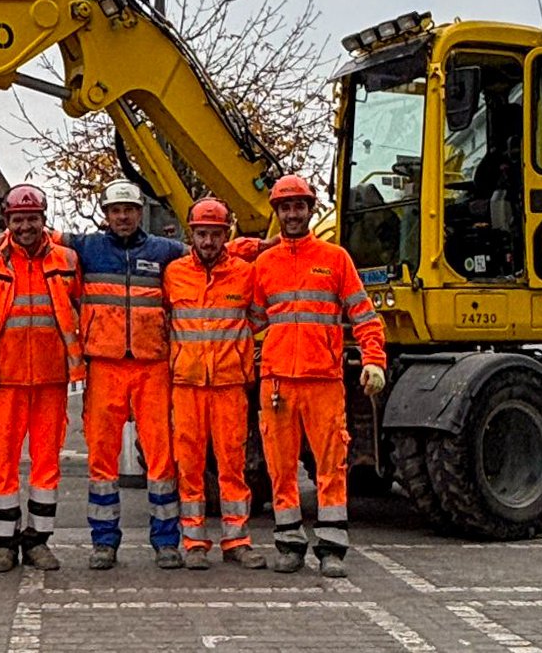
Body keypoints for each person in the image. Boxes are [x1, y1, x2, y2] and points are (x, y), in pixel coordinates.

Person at [253, 174, 387, 578]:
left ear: (311, 210)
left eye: (299, 206)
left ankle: (332, 547)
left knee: (332, 466)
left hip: (323, 381)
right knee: (280, 468)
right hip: (277, 381)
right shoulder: (263, 264)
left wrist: (374, 360)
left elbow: (364, 316)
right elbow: (253, 320)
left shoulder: (336, 259)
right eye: (285, 207)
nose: (292, 214)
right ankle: (290, 543)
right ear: (277, 213)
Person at [63, 179, 189, 570]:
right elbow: (34, 235)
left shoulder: (165, 251)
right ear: (105, 215)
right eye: (115, 211)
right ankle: (104, 543)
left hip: (152, 366)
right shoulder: (87, 248)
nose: (122, 216)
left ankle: (166, 542)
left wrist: (259, 245)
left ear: (140, 213)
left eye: (129, 210)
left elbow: (209, 248)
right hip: (104, 366)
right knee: (102, 460)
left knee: (161, 459)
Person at [0, 184, 84, 573]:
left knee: (45, 465)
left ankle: (38, 541)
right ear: (7, 222)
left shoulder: (68, 259)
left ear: (43, 219)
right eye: (18, 220)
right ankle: (4, 543)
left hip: (52, 379)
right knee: (2, 462)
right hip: (5, 379)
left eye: (32, 219)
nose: (26, 226)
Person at [162, 197, 267, 571]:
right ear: (192, 234)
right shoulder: (173, 273)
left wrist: (234, 350)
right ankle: (194, 541)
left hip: (228, 384)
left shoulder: (244, 273)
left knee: (232, 464)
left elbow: (257, 316)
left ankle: (237, 540)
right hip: (186, 383)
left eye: (216, 234)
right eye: (202, 234)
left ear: (227, 235)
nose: (208, 241)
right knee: (188, 466)